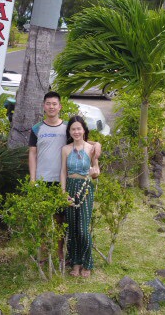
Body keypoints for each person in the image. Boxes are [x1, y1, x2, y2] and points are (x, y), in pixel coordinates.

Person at [60, 115, 99, 277]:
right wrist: (63, 193)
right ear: (69, 131)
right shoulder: (65, 149)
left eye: (79, 128)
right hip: (70, 187)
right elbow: (63, 172)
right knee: (72, 228)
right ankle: (75, 263)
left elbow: (96, 170)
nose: (76, 131)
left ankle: (87, 263)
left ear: (84, 130)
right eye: (73, 129)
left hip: (85, 188)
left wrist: (95, 172)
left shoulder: (91, 149)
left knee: (83, 229)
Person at [29, 91, 67, 184]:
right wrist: (32, 179)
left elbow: (81, 142)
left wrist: (96, 144)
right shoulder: (36, 128)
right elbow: (32, 154)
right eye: (48, 104)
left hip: (63, 179)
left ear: (60, 107)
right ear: (44, 106)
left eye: (54, 104)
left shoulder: (68, 127)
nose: (51, 107)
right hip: (41, 179)